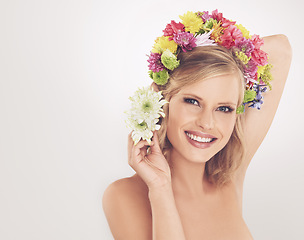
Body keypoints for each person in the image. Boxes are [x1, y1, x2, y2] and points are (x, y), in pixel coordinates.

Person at [102, 10, 292, 240]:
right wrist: (160, 188)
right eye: (193, 101)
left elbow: (280, 50)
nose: (207, 122)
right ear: (165, 103)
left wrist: (218, 51)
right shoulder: (124, 196)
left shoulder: (229, 178)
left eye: (224, 108)